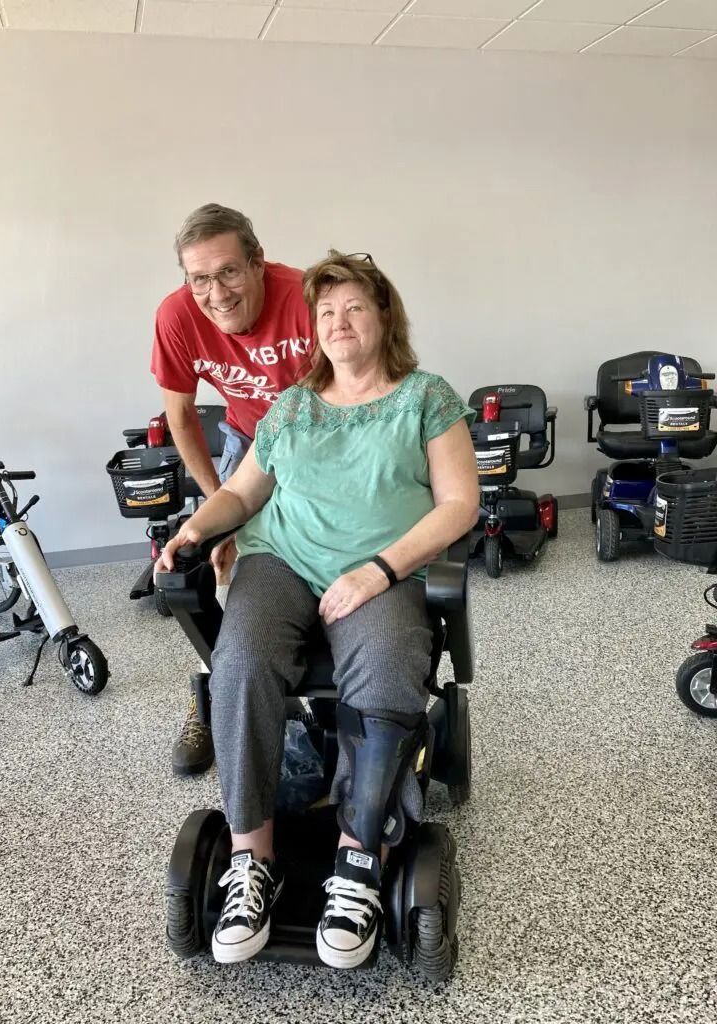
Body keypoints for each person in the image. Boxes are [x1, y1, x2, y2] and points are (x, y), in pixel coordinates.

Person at [156, 250, 479, 969]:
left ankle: (359, 861)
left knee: (393, 663)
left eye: (354, 308)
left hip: (381, 565)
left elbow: (460, 504)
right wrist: (197, 527)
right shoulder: (293, 405)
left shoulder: (427, 396)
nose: (338, 323)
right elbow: (243, 493)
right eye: (325, 312)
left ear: (384, 316)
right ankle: (252, 861)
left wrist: (380, 568)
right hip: (284, 560)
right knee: (238, 663)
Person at [150, 204, 314, 776]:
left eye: (228, 272)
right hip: (249, 438)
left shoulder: (306, 298)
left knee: (314, 559)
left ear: (258, 263)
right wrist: (221, 507)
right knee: (222, 567)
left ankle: (317, 687)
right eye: (199, 278)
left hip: (321, 440)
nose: (215, 293)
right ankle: (218, 692)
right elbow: (183, 416)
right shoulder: (176, 316)